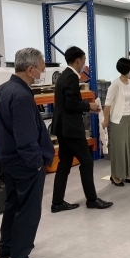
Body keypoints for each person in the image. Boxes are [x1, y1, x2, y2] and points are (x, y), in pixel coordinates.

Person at [0, 47, 54, 258]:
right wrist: (36, 163)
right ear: (30, 69)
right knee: (28, 210)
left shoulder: (1, 91)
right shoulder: (22, 96)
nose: (42, 74)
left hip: (7, 160)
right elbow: (25, 137)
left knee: (12, 205)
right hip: (25, 164)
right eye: (41, 70)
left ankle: (7, 247)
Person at [51, 46, 112, 210]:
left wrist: (86, 107)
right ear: (78, 60)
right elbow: (71, 103)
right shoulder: (71, 77)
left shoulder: (63, 76)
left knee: (64, 164)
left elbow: (67, 103)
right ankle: (91, 199)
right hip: (71, 128)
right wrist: (88, 105)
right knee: (86, 161)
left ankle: (57, 202)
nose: (84, 64)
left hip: (63, 128)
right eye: (84, 61)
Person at [102, 58, 130, 186]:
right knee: (119, 147)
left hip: (128, 118)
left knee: (129, 146)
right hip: (117, 119)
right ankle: (115, 176)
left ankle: (126, 173)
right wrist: (105, 120)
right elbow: (107, 104)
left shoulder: (129, 82)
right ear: (126, 69)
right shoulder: (115, 84)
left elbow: (129, 101)